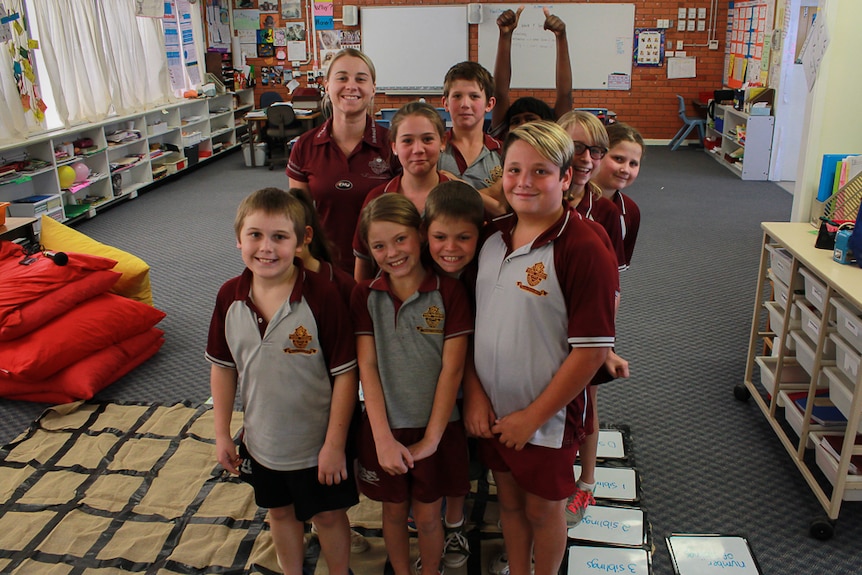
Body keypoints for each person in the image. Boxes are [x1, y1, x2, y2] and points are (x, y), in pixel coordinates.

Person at [464, 122, 617, 575]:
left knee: (543, 511)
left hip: (547, 420)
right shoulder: (491, 237)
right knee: (509, 507)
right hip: (495, 412)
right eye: (513, 170)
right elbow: (474, 325)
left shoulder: (583, 247)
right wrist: (475, 394)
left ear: (566, 177)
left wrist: (531, 418)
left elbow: (590, 354)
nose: (524, 182)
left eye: (540, 171)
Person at [207, 187, 359, 575]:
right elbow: (224, 368)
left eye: (279, 237)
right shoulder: (229, 297)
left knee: (327, 517)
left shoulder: (323, 296)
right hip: (262, 443)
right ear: (238, 238)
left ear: (302, 240)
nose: (266, 248)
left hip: (318, 446)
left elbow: (346, 377)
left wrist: (334, 446)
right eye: (255, 235)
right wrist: (223, 433)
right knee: (280, 513)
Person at [352, 193, 473, 575]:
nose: (392, 253)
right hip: (384, 428)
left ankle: (431, 569)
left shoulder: (451, 294)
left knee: (427, 517)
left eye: (400, 239)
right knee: (392, 513)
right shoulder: (365, 296)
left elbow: (451, 372)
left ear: (420, 235)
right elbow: (366, 367)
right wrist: (382, 438)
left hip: (438, 427)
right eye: (379, 245)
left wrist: (433, 438)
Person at [556, 112, 631, 527]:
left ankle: (585, 484)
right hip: (545, 322)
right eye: (576, 148)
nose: (585, 158)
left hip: (587, 330)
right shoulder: (543, 192)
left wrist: (604, 346)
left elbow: (614, 288)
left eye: (595, 150)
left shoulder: (603, 210)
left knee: (585, 405)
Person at [287, 187, 371, 555]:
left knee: (331, 489)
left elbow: (355, 358)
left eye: (282, 235)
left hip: (331, 402)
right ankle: (298, 523)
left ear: (305, 235)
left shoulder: (340, 284)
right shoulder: (260, 283)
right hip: (284, 406)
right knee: (287, 486)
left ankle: (332, 526)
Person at [421, 181, 486, 569]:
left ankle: (455, 520)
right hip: (429, 381)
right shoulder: (418, 273)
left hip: (476, 378)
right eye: (440, 237)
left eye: (464, 237)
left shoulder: (485, 274)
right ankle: (429, 516)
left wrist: (476, 392)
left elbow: (481, 342)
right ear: (424, 233)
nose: (451, 248)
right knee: (433, 450)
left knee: (463, 456)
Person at [288, 48, 396, 273]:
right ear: (327, 86)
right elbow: (298, 218)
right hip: (324, 265)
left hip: (382, 266)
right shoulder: (305, 146)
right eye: (342, 78)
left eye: (361, 79)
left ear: (373, 88)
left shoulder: (392, 145)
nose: (351, 86)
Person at [353, 101, 451, 281]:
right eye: (407, 141)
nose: (418, 149)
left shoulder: (458, 196)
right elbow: (364, 264)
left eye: (427, 139)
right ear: (394, 147)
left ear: (442, 142)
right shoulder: (377, 198)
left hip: (450, 303)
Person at [490, 6, 572, 140]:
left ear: (548, 125)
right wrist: (505, 35)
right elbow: (499, 94)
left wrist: (561, 37)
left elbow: (565, 95)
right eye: (516, 121)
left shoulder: (555, 143)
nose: (523, 125)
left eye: (530, 119)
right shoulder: (504, 143)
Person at [438, 61, 505, 215]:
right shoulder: (432, 150)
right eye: (457, 96)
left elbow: (506, 208)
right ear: (445, 103)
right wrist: (492, 192)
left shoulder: (504, 152)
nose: (465, 104)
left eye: (474, 96)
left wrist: (456, 187)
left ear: (489, 103)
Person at [591, 122, 644, 268]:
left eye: (633, 163)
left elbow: (616, 268)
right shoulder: (570, 200)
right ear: (598, 154)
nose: (625, 169)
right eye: (618, 159)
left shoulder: (631, 211)